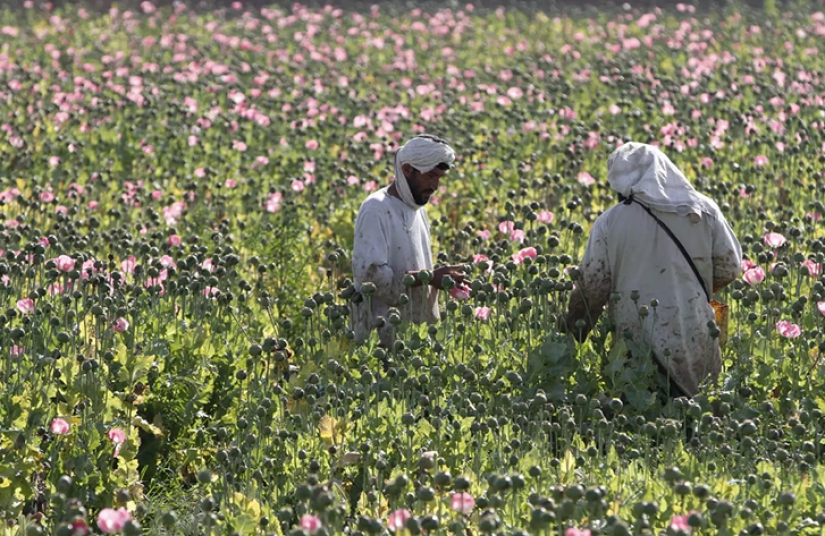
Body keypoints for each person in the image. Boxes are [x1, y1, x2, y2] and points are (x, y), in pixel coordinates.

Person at [559, 142, 742, 398]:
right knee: (699, 412)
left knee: (640, 414)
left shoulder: (610, 222)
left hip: (635, 341)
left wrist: (571, 334)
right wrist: (685, 288)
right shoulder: (704, 210)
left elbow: (593, 287)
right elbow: (730, 267)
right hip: (695, 332)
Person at [351, 135, 466, 348]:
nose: (435, 185)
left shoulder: (417, 209)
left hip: (416, 334)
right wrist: (428, 278)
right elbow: (369, 274)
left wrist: (439, 280)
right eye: (430, 176)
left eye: (439, 177)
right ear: (406, 170)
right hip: (380, 339)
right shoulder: (375, 209)